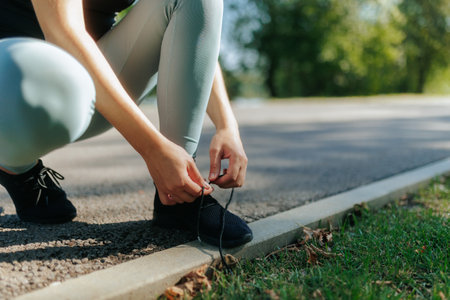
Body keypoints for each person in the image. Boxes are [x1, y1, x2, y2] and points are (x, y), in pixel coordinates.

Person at [0, 0, 253, 248]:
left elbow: (193, 30)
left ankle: (179, 192)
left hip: (82, 86)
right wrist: (153, 148)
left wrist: (226, 125)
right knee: (14, 68)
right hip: (15, 88)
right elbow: (63, 32)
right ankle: (16, 168)